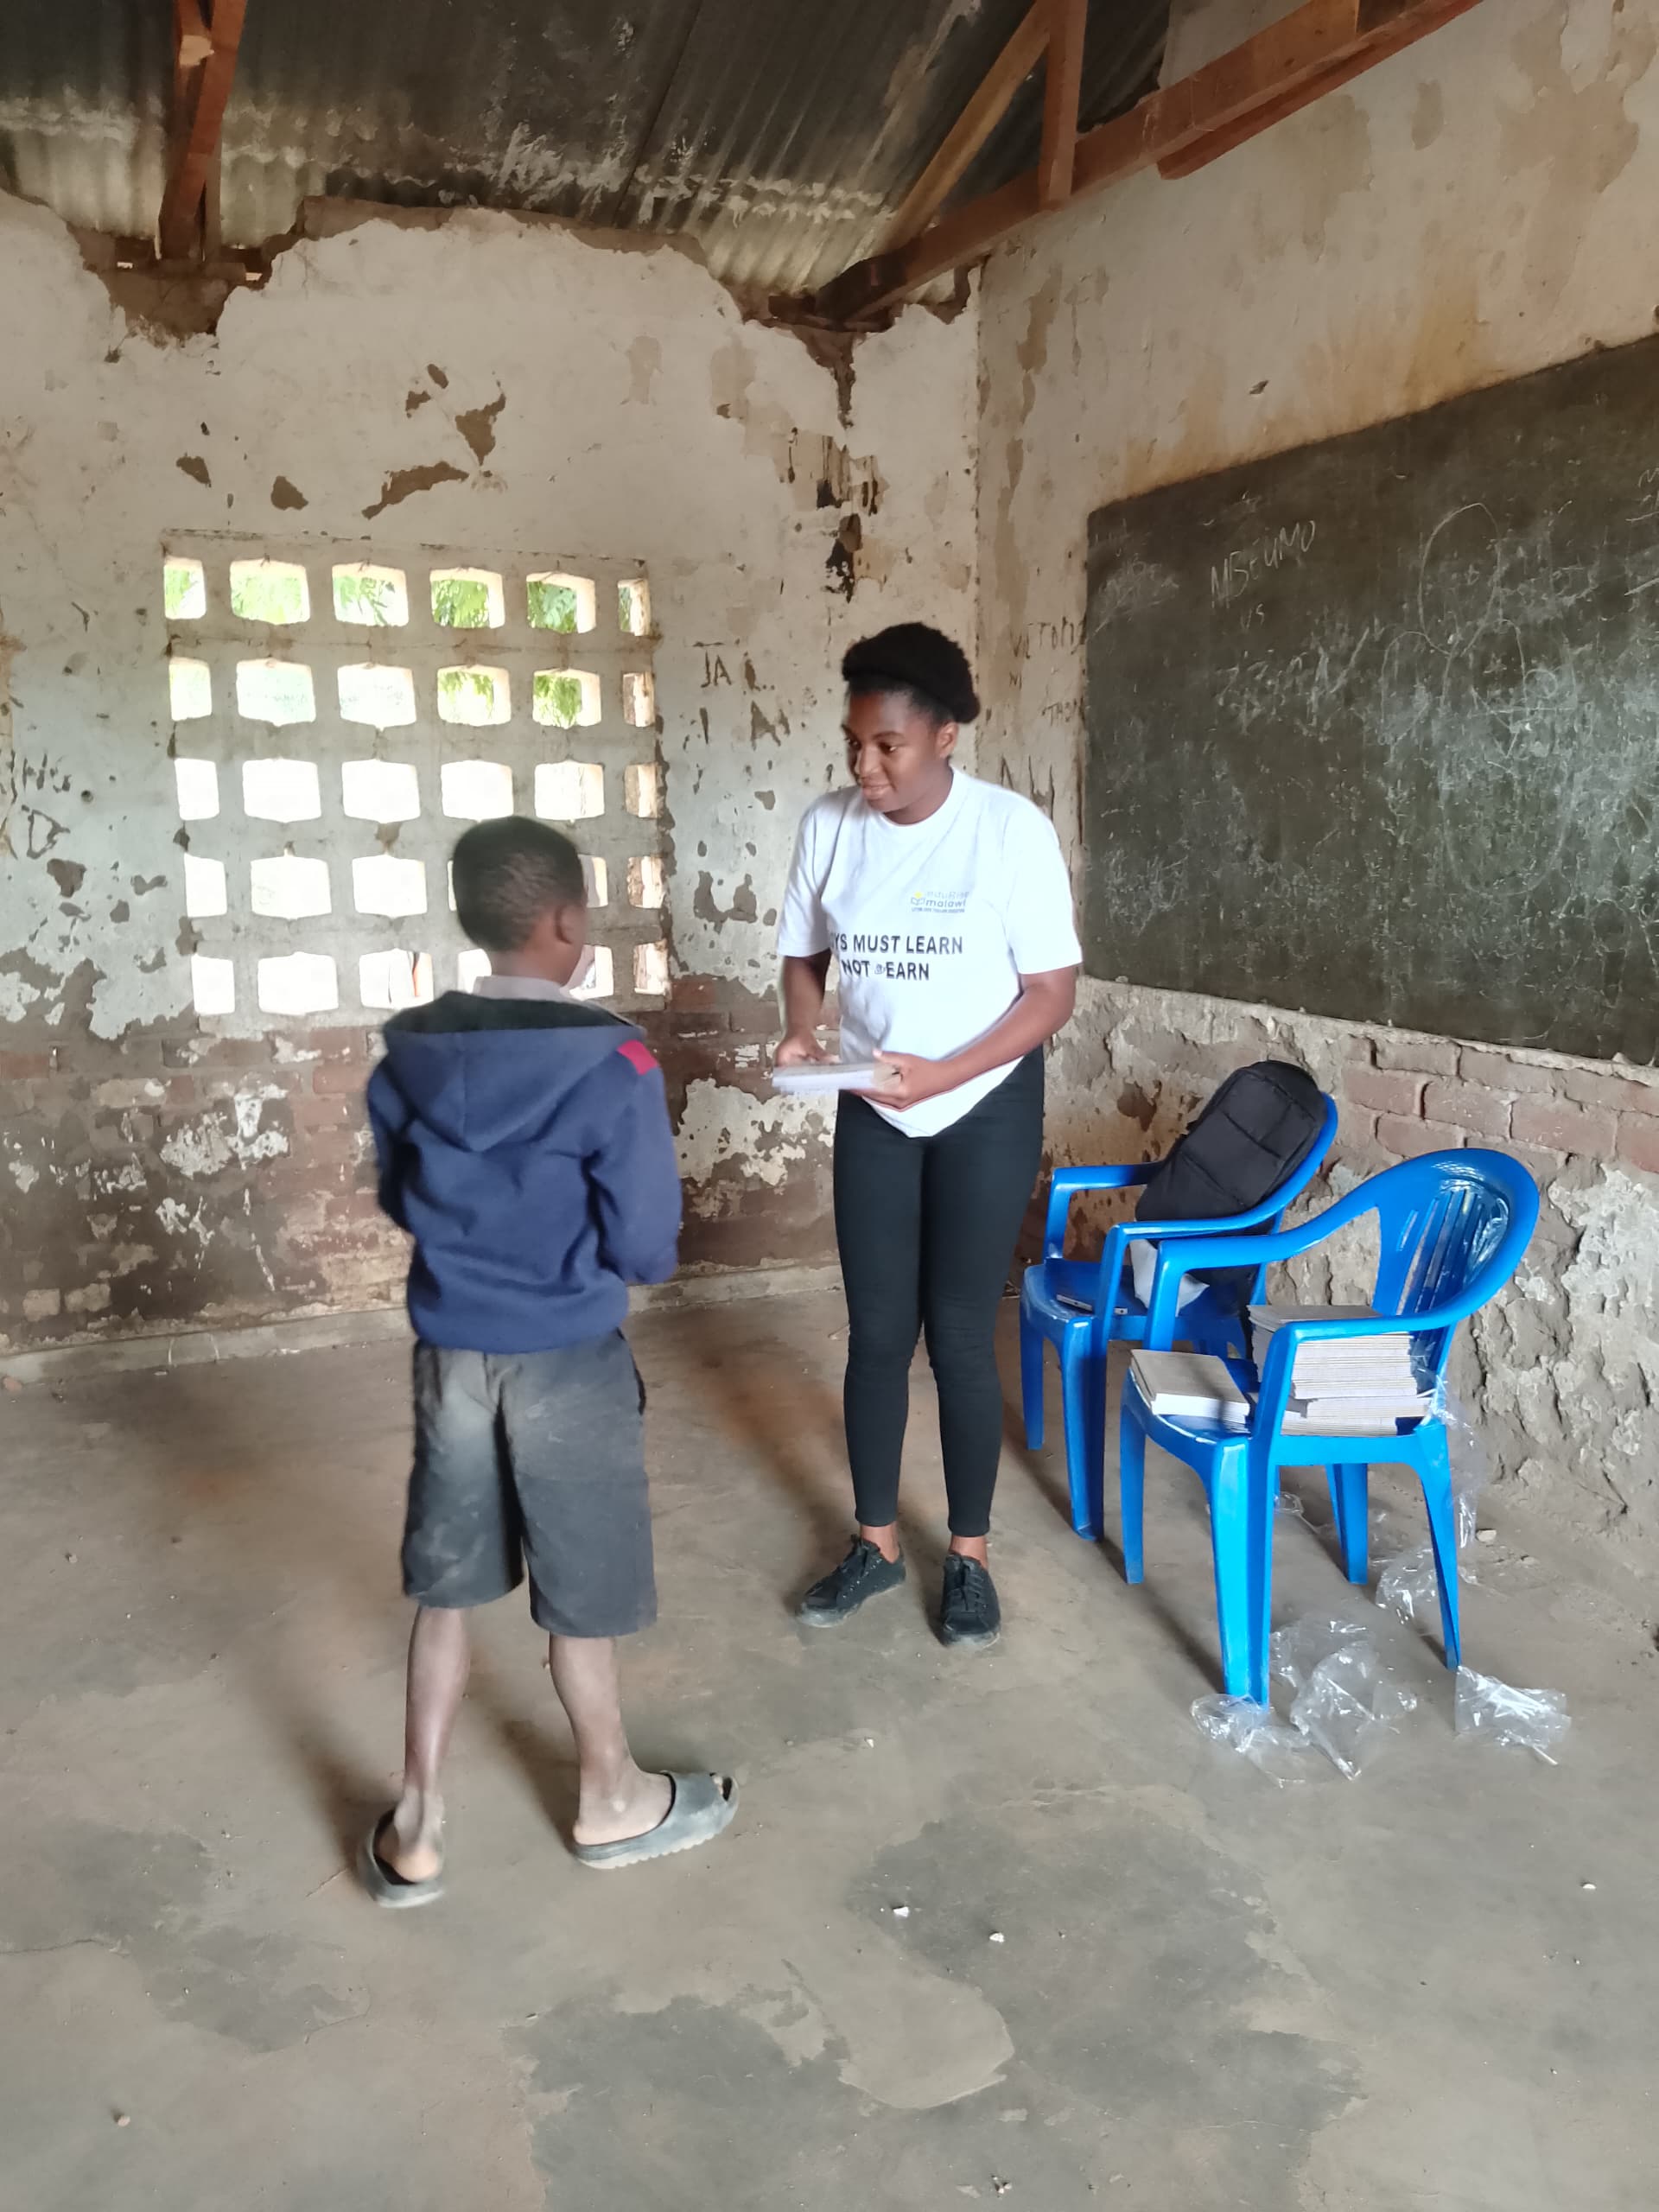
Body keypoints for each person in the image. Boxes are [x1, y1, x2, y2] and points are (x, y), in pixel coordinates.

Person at [360, 816, 737, 1905]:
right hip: (567, 1354)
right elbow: (643, 1244)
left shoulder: (410, 1053)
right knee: (582, 1591)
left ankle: (419, 1824)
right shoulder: (611, 1062)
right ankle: (609, 1797)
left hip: (452, 1356)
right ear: (568, 922)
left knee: (448, 1591)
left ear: (475, 920)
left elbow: (400, 1196)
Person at [775, 624, 1081, 1649]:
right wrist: (806, 1028)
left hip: (981, 1103)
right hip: (873, 1101)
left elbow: (1050, 993)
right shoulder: (830, 826)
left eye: (889, 746)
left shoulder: (1010, 832)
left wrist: (947, 1074)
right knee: (874, 1333)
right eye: (854, 744)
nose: (866, 767)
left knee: (957, 1333)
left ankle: (970, 1558)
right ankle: (875, 1542)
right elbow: (805, 955)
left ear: (946, 736)